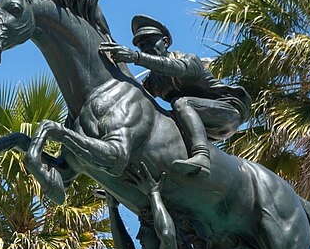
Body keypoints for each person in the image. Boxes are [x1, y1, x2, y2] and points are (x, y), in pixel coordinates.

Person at [100, 15, 251, 177]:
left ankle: (202, 157)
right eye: (141, 45)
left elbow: (175, 68)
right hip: (193, 123)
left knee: (181, 103)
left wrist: (136, 57)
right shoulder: (153, 81)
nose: (145, 47)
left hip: (226, 114)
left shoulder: (189, 60)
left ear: (165, 42)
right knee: (155, 123)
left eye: (150, 41)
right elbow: (132, 97)